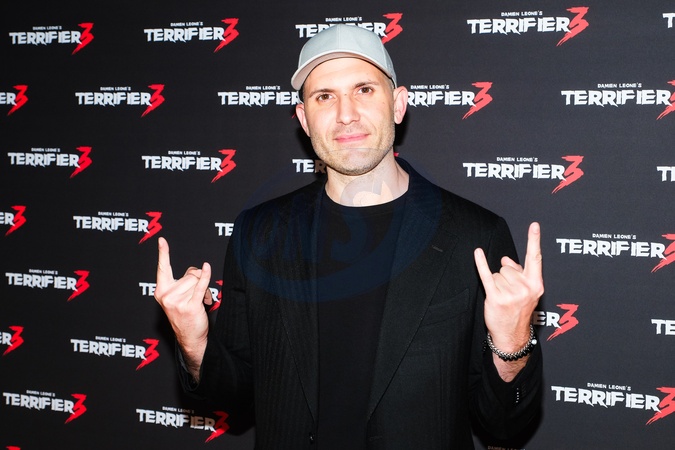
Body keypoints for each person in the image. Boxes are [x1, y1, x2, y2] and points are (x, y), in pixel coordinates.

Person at [154, 24, 543, 449]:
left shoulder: (474, 236)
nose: (346, 114)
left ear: (398, 105)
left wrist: (512, 344)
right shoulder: (259, 232)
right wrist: (195, 341)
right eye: (324, 96)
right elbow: (234, 399)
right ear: (304, 119)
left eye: (364, 90)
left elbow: (503, 425)